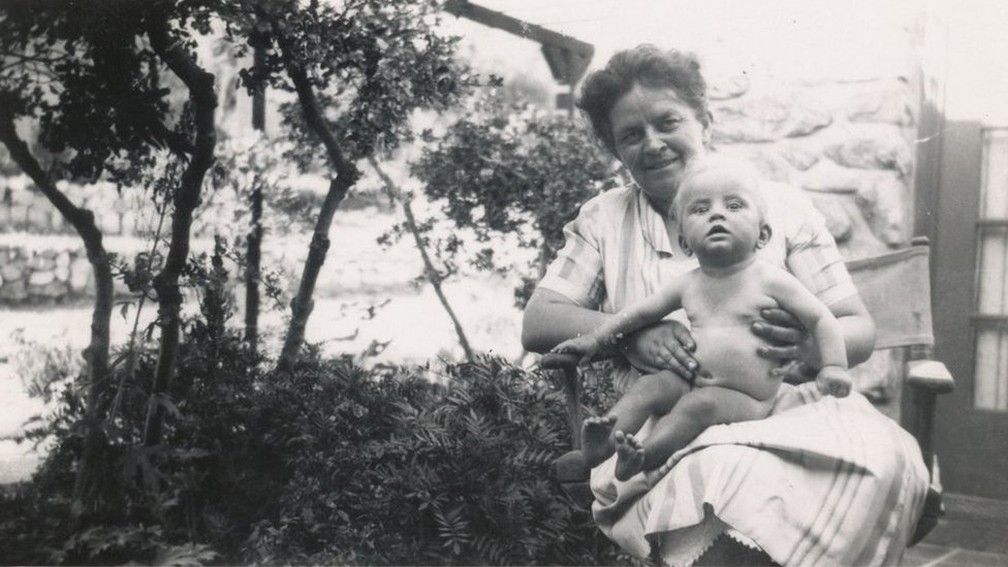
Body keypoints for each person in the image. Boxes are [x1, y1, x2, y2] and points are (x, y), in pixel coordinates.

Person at [522, 44, 928, 565]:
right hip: (663, 423)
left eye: (668, 121)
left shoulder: (779, 207)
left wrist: (805, 347)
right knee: (730, 484)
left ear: (705, 120)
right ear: (615, 150)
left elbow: (855, 327)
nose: (653, 144)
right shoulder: (605, 219)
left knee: (885, 458)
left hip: (782, 405)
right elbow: (539, 320)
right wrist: (631, 333)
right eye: (631, 135)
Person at [550, 155, 852, 482]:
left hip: (745, 397)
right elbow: (636, 315)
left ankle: (643, 457)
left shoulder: (772, 280)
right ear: (684, 242)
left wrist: (833, 366)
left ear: (763, 236)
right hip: (689, 379)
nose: (717, 214)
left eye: (734, 206)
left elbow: (822, 318)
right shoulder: (688, 284)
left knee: (697, 406)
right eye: (700, 209)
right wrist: (595, 339)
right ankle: (599, 449)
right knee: (649, 386)